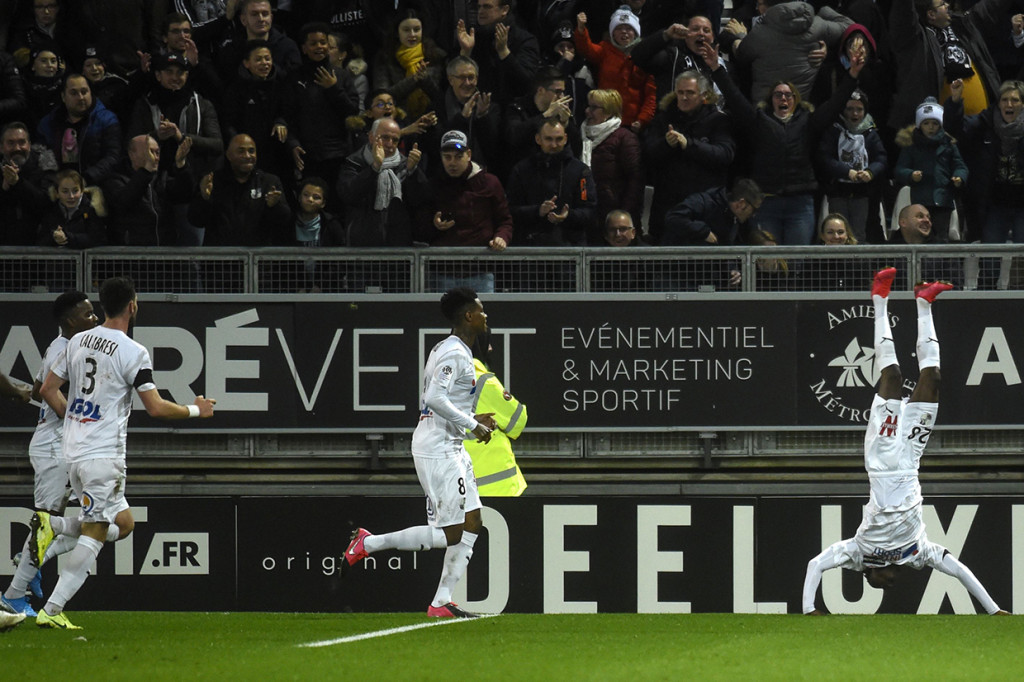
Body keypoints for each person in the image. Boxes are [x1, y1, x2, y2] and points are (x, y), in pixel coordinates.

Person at [802, 267, 1009, 616]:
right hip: (911, 457)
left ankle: (880, 299)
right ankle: (924, 301)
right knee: (934, 378)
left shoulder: (855, 552)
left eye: (879, 583)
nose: (890, 583)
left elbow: (814, 565)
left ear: (868, 575)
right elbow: (958, 569)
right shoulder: (918, 553)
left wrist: (809, 609)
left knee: (893, 376)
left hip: (882, 460)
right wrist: (993, 610)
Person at [343, 287, 498, 619]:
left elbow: (446, 402)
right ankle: (368, 544)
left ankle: (441, 603)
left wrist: (472, 421)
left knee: (472, 522)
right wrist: (472, 425)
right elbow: (433, 398)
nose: (486, 316)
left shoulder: (452, 349)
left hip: (451, 446)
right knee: (452, 531)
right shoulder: (454, 353)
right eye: (481, 310)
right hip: (437, 449)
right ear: (468, 315)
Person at [704, 41, 862, 245]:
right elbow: (735, 98)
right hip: (766, 201)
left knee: (796, 261)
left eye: (788, 95)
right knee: (768, 261)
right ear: (772, 100)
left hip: (800, 202)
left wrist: (853, 75)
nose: (783, 98)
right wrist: (716, 70)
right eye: (778, 95)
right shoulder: (758, 121)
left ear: (795, 100)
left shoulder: (808, 122)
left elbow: (835, 104)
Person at [2, 291, 97, 618]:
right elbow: (46, 390)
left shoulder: (62, 348)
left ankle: (30, 562)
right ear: (69, 321)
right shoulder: (67, 349)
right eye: (87, 315)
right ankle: (13, 596)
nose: (94, 318)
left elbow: (40, 382)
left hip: (66, 447)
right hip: (56, 446)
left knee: (95, 522)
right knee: (49, 523)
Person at [643, 69, 735, 244]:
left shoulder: (718, 120)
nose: (684, 97)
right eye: (681, 92)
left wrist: (689, 145)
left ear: (703, 95)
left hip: (705, 210)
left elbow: (724, 155)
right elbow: (647, 154)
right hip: (668, 208)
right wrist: (666, 144)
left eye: (690, 93)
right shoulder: (663, 120)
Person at [728, 0, 852, 103]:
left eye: (759, 4)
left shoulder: (758, 34)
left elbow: (741, 54)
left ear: (767, 8)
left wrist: (740, 37)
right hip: (803, 109)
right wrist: (824, 10)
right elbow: (848, 25)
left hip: (766, 110)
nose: (757, 8)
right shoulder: (817, 26)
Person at [417, 129, 513, 256]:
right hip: (443, 266)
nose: (452, 163)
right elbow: (420, 226)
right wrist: (433, 224)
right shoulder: (434, 185)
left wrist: (501, 237)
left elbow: (505, 221)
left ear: (468, 154)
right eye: (447, 157)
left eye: (458, 157)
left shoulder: (489, 183)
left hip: (480, 266)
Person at [336, 117, 426, 247]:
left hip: (398, 245)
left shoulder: (405, 164)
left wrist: (412, 171)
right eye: (385, 138)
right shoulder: (354, 162)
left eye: (395, 140)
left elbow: (420, 200)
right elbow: (349, 194)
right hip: (361, 245)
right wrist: (374, 167)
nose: (390, 144)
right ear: (371, 137)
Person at [506, 117, 597, 246]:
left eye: (559, 139)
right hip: (531, 247)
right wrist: (538, 211)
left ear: (565, 138)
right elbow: (510, 210)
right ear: (538, 139)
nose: (554, 145)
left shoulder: (580, 171)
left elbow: (590, 211)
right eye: (548, 139)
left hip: (570, 247)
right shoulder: (522, 170)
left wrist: (568, 215)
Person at [815, 87, 888, 244]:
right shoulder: (833, 131)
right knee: (837, 234)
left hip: (862, 195)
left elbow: (881, 158)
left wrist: (871, 172)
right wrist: (846, 172)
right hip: (837, 193)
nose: (855, 114)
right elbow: (825, 158)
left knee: (859, 235)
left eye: (859, 109)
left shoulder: (871, 133)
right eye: (850, 109)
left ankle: (857, 267)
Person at [188, 133, 290, 246]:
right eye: (241, 151)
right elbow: (195, 221)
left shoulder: (269, 182)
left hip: (256, 260)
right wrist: (204, 198)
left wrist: (274, 206)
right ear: (229, 155)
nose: (247, 156)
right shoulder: (212, 181)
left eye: (251, 151)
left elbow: (284, 221)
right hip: (220, 260)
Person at [892, 97, 968, 241]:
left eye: (935, 123)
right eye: (926, 123)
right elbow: (899, 169)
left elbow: (960, 165)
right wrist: (910, 175)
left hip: (943, 199)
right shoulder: (911, 145)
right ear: (920, 125)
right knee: (922, 236)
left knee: (941, 237)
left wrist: (959, 177)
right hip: (921, 200)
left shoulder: (948, 144)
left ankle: (941, 263)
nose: (931, 127)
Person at [464, 331, 528, 497]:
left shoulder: (440, 377)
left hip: (456, 487)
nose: (491, 348)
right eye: (487, 343)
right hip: (496, 489)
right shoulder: (482, 380)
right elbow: (517, 421)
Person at [104, 133, 194, 246]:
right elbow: (124, 202)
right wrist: (146, 171)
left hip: (164, 252)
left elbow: (184, 195)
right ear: (132, 154)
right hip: (131, 254)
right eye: (151, 152)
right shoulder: (115, 179)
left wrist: (181, 165)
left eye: (157, 152)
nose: (156, 157)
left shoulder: (161, 177)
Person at [573, 8, 656, 131]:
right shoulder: (605, 50)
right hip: (605, 121)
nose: (624, 32)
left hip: (633, 124)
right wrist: (581, 29)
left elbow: (650, 95)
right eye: (618, 28)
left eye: (629, 28)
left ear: (636, 32)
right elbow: (587, 49)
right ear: (612, 33)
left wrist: (642, 119)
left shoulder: (645, 55)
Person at [37, 73, 122, 186]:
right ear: (63, 97)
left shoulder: (106, 120)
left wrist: (86, 178)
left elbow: (113, 157)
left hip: (96, 184)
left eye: (84, 92)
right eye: (74, 93)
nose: (81, 97)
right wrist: (55, 179)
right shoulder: (48, 123)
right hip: (58, 186)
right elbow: (41, 153)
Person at [580, 88, 642, 241]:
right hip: (590, 213)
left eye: (594, 107)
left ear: (608, 111)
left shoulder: (625, 138)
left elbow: (635, 179)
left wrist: (623, 215)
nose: (588, 111)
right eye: (588, 106)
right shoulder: (580, 136)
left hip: (615, 216)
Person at [456, 0, 540, 106]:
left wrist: (504, 53)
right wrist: (466, 52)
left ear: (504, 10)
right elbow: (455, 80)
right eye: (479, 7)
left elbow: (526, 83)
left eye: (487, 7)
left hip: (511, 111)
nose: (480, 11)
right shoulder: (473, 37)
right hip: (477, 108)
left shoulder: (524, 40)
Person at [373, 10, 446, 122]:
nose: (412, 34)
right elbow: (383, 97)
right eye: (406, 30)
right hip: (398, 119)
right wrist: (413, 79)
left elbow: (441, 96)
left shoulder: (436, 55)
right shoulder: (385, 57)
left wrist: (425, 79)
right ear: (397, 32)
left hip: (432, 117)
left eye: (416, 30)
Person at [1, 120, 57, 246]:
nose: (17, 148)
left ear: (30, 145)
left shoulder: (45, 165)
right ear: (1, 147)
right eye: (11, 143)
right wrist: (4, 188)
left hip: (38, 243)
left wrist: (18, 182)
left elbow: (47, 203)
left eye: (22, 142)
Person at [37, 168, 106, 248]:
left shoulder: (92, 210)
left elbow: (97, 239)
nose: (71, 196)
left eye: (75, 191)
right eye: (65, 191)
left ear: (82, 190)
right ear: (57, 193)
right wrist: (54, 238)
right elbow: (40, 241)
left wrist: (67, 237)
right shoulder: (51, 211)